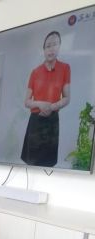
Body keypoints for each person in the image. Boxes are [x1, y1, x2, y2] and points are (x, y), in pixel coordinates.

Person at [21, 31, 71, 167]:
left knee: (48, 163)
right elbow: (27, 102)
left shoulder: (65, 68)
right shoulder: (35, 72)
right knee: (32, 162)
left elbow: (67, 97)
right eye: (48, 46)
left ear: (59, 46)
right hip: (35, 121)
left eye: (55, 44)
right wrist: (40, 104)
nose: (51, 49)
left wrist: (51, 107)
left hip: (52, 121)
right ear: (44, 49)